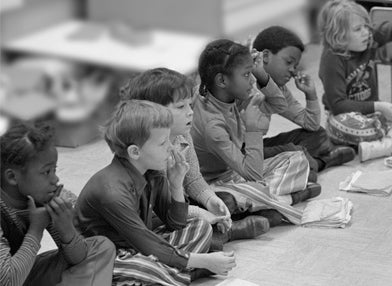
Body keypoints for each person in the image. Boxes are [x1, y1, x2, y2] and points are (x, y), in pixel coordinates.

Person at [75, 100, 236, 286]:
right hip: (105, 259)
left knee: (200, 227)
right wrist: (203, 261)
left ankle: (171, 275)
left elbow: (176, 223)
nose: (170, 147)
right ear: (135, 152)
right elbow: (146, 243)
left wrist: (176, 185)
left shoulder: (153, 172)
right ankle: (190, 274)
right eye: (162, 143)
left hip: (138, 247)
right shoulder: (111, 192)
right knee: (143, 268)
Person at [120, 67, 271, 247]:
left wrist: (210, 200)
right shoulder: (150, 150)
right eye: (181, 107)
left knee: (224, 201)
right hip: (155, 216)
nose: (190, 112)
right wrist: (200, 214)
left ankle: (221, 229)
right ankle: (228, 233)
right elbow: (161, 210)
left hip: (181, 203)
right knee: (195, 229)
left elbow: (193, 179)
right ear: (154, 112)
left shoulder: (183, 136)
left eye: (190, 105)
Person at [192, 39, 321, 227]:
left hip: (238, 174)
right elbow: (253, 175)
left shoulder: (230, 95)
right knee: (234, 196)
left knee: (298, 159)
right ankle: (285, 200)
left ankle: (268, 203)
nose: (251, 81)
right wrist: (253, 128)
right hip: (215, 184)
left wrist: (261, 74)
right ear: (222, 80)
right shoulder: (212, 124)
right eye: (246, 74)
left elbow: (279, 104)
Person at [318, 0, 392, 162]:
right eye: (358, 29)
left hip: (375, 117)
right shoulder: (332, 59)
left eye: (366, 27)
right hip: (347, 118)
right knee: (340, 126)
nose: (366, 33)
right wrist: (379, 106)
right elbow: (339, 105)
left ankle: (384, 144)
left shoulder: (369, 39)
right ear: (339, 36)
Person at [0, 121, 115, 286]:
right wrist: (36, 229)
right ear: (12, 177)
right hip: (8, 278)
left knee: (101, 247)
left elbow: (78, 259)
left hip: (22, 274)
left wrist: (66, 229)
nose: (55, 179)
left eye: (55, 170)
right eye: (46, 172)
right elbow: (7, 281)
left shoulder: (38, 196)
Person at [252, 25, 355, 178]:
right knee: (295, 153)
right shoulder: (245, 83)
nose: (293, 70)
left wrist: (311, 95)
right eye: (288, 62)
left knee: (319, 135)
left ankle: (305, 165)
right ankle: (319, 163)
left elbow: (311, 125)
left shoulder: (280, 90)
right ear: (265, 57)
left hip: (257, 147)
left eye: (295, 66)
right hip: (237, 154)